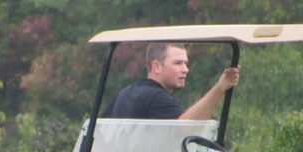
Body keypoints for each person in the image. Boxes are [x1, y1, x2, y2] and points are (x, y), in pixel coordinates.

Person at [102, 43, 239, 119]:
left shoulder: (126, 93)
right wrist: (220, 88)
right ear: (156, 66)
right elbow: (186, 128)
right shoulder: (157, 97)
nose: (185, 69)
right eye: (178, 63)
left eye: (186, 63)